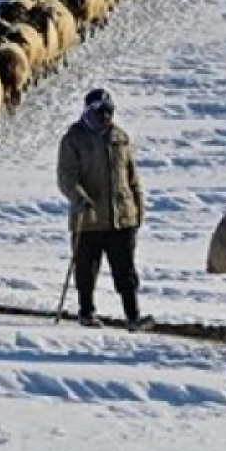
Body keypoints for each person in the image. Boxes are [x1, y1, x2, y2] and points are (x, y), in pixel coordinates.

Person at [56, 87, 153, 330]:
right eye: (101, 111)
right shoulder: (74, 139)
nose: (106, 116)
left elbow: (131, 177)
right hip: (88, 217)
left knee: (126, 270)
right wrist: (79, 199)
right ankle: (86, 312)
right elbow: (66, 177)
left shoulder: (120, 137)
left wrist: (137, 207)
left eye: (109, 111)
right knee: (86, 269)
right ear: (89, 111)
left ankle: (133, 316)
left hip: (122, 217)